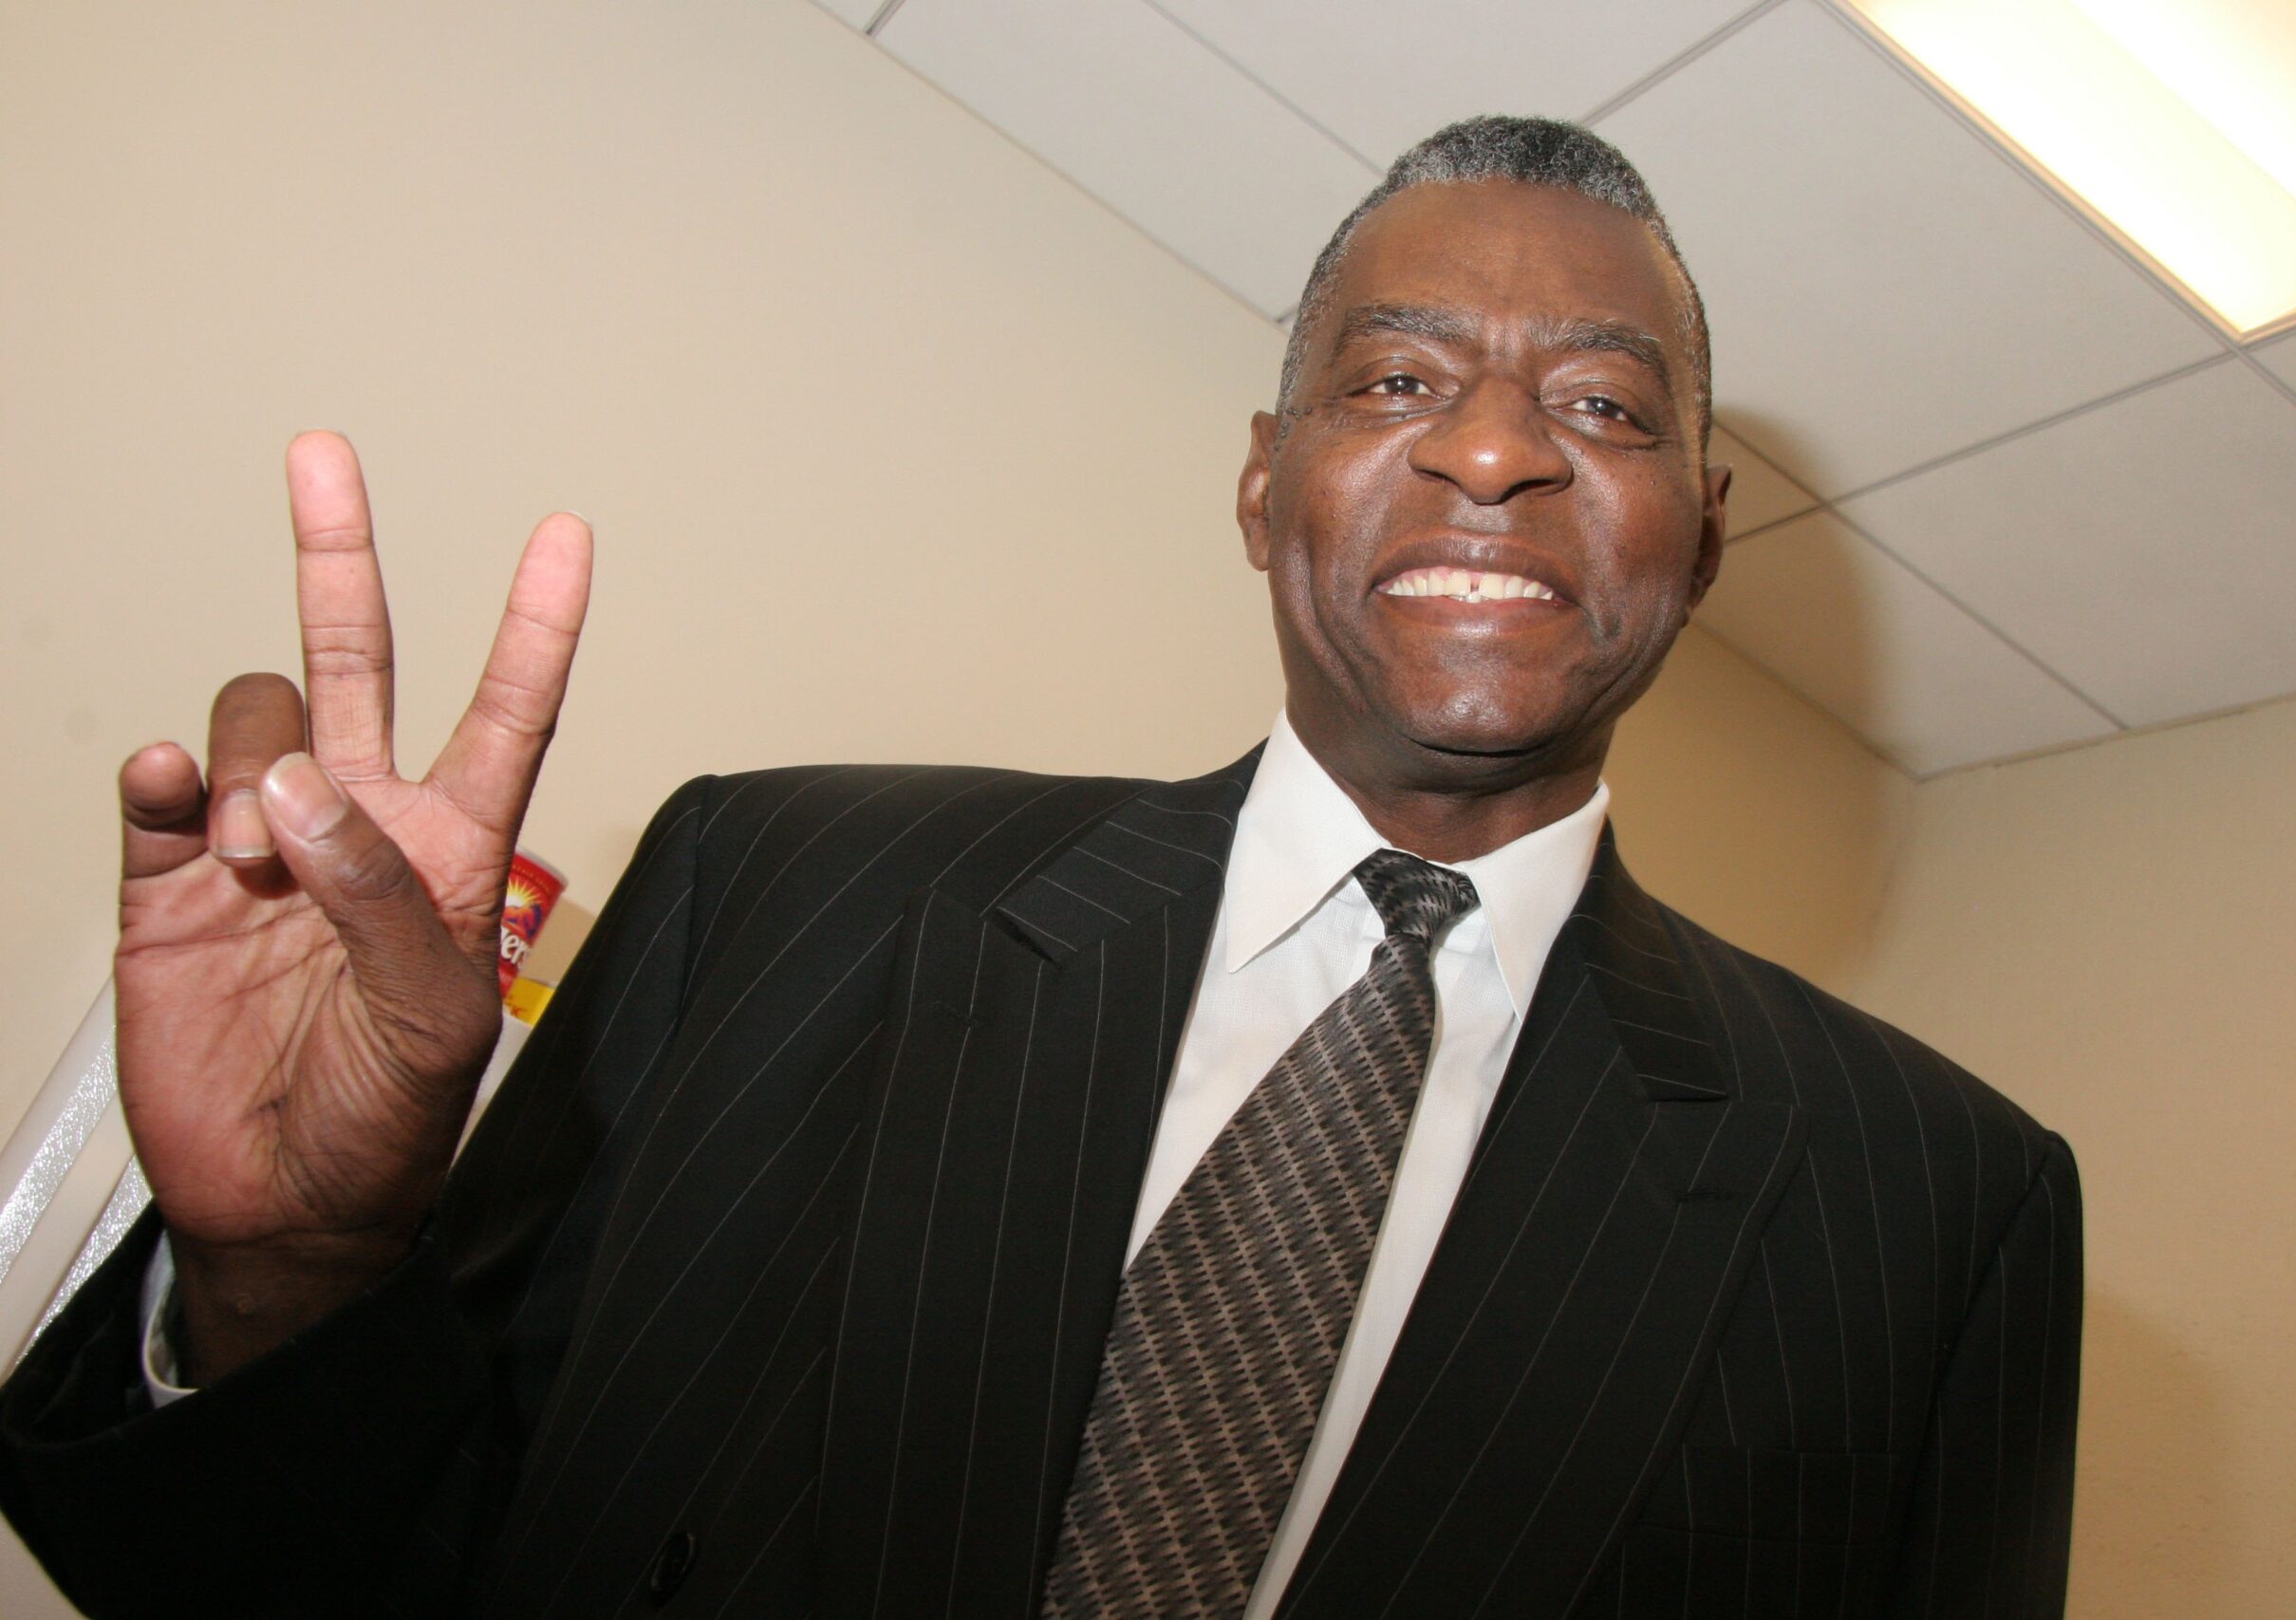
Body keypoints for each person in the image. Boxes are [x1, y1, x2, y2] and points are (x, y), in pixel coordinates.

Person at [0, 118, 2079, 1618]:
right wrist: (280, 1269)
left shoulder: (1927, 1206)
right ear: (1263, 487)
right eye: (1394, 378)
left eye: (1602, 403)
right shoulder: (775, 894)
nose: (1490, 446)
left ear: (1695, 538)